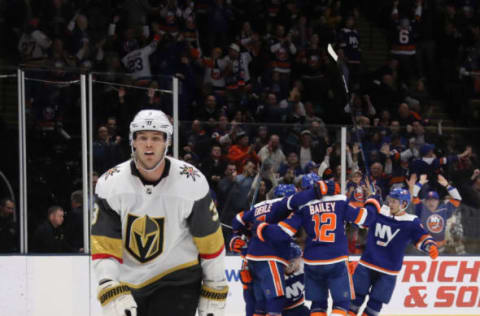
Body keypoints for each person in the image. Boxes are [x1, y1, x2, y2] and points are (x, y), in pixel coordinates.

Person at [91, 110, 227, 316]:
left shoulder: (191, 182)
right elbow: (105, 246)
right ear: (133, 141)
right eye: (143, 137)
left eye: (155, 138)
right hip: (128, 281)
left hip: (177, 277)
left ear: (167, 143)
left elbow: (210, 242)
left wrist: (215, 288)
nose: (148, 144)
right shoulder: (110, 184)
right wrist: (108, 285)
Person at [256, 179, 381, 316]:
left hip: (312, 261)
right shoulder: (340, 201)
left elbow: (283, 231)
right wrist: (373, 200)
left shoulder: (303, 206)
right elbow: (366, 219)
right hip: (336, 259)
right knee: (341, 303)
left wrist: (260, 228)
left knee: (318, 305)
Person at [347, 188, 438, 316]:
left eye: (394, 201)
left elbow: (422, 238)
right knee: (354, 300)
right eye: (390, 200)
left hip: (388, 271)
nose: (390, 204)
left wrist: (430, 246)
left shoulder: (411, 221)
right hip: (367, 264)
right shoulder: (379, 212)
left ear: (404, 204)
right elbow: (362, 221)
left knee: (375, 305)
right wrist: (371, 201)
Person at [412, 174, 464, 254]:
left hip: (442, 247)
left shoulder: (444, 209)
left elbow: (458, 198)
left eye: (434, 200)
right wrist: (420, 183)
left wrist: (447, 185)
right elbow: (414, 196)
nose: (431, 202)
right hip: (424, 247)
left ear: (438, 201)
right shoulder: (421, 209)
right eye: (429, 200)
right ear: (425, 201)